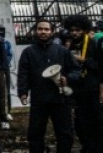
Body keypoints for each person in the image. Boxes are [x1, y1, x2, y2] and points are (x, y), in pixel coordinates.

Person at [18, 18, 78, 153]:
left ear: (52, 32)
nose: (43, 32)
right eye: (40, 29)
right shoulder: (28, 52)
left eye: (46, 29)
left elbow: (76, 70)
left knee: (65, 133)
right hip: (39, 99)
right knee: (35, 134)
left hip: (60, 98)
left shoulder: (62, 51)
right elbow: (23, 73)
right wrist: (23, 92)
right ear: (35, 31)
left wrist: (67, 79)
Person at [63, 15, 102, 153]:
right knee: (80, 121)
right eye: (72, 30)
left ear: (84, 30)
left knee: (96, 119)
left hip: (92, 88)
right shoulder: (70, 45)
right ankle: (87, 146)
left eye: (78, 30)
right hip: (77, 88)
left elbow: (99, 66)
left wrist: (84, 60)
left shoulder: (93, 44)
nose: (74, 33)